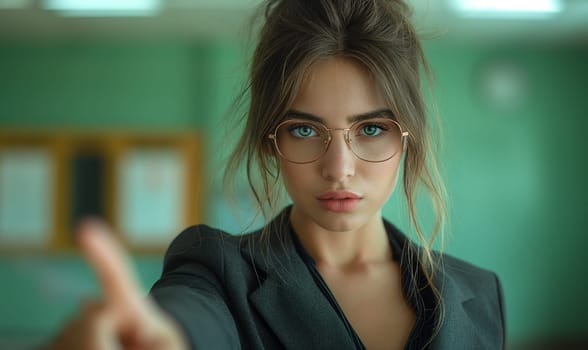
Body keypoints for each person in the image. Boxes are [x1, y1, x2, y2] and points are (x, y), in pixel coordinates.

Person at [47, 0, 506, 349]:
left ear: (407, 136)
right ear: (271, 138)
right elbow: (189, 317)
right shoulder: (217, 272)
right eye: (304, 129)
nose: (339, 168)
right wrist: (163, 333)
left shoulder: (479, 293)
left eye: (371, 128)